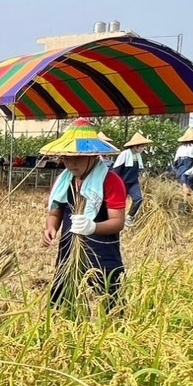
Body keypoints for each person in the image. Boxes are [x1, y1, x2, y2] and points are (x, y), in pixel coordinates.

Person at [41, 124, 127, 309]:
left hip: (101, 251)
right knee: (61, 303)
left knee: (110, 304)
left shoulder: (111, 181)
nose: (71, 164)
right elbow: (56, 211)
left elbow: (118, 221)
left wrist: (93, 227)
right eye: (66, 158)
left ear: (92, 155)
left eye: (78, 158)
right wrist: (51, 227)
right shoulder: (64, 181)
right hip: (69, 249)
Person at [114, 132, 151, 222]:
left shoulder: (138, 156)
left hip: (133, 182)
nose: (143, 148)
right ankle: (117, 220)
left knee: (138, 199)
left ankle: (129, 217)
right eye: (141, 146)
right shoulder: (125, 154)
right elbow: (116, 170)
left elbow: (139, 170)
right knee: (119, 204)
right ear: (135, 146)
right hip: (122, 182)